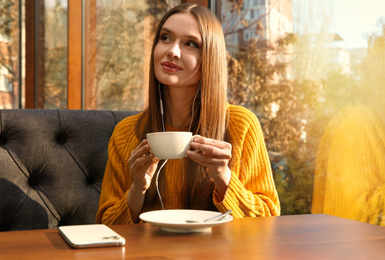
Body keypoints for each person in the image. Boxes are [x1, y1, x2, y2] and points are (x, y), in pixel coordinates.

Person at [96, 3, 280, 224]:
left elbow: (269, 221)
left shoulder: (241, 126)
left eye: (190, 44)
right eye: (165, 38)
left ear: (210, 58)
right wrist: (138, 188)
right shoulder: (127, 133)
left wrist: (223, 176)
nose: (172, 51)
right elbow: (105, 226)